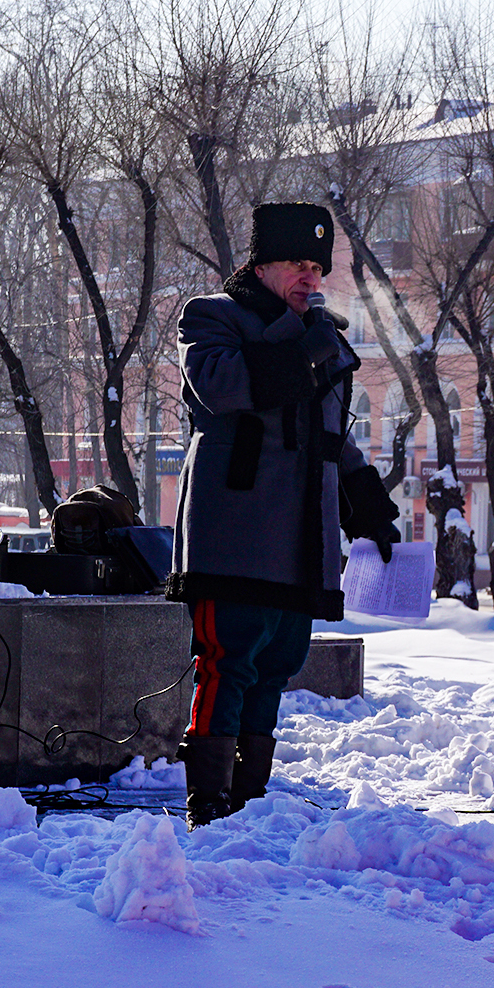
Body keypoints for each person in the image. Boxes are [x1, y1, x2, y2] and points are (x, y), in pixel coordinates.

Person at [165, 202, 401, 827]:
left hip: (301, 545)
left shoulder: (318, 337)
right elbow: (222, 386)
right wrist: (303, 347)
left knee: (275, 668)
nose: (311, 279)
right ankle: (209, 802)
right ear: (262, 264)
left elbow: (331, 437)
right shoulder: (212, 317)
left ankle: (248, 800)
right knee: (227, 663)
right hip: (234, 536)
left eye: (318, 269)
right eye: (298, 264)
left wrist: (369, 506)